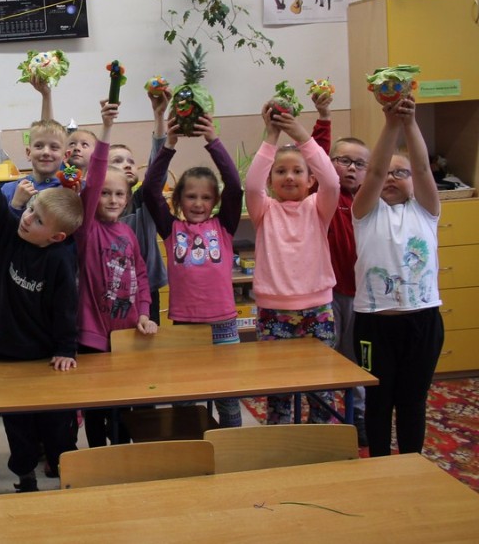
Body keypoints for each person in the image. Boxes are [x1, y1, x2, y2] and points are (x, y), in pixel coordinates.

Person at [0, 121, 83, 492]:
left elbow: (66, 309)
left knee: (56, 422)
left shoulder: (61, 258)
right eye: (30, 209)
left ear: (57, 236)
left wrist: (66, 349)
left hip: (46, 354)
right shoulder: (10, 236)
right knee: (17, 424)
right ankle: (24, 475)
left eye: (37, 220)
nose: (27, 218)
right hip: (6, 350)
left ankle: (64, 470)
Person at [352, 95, 442, 457]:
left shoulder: (426, 212)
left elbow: (422, 168)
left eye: (400, 173)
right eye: (387, 171)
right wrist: (390, 124)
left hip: (423, 322)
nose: (391, 177)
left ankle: (411, 463)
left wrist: (410, 122)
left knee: (412, 400)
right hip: (375, 324)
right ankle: (379, 464)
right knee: (379, 400)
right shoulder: (365, 213)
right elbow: (374, 172)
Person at [143, 113, 244, 427]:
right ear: (178, 200)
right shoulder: (171, 228)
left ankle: (230, 445)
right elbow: (150, 191)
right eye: (190, 196)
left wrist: (213, 141)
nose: (198, 203)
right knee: (185, 396)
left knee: (228, 395)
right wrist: (169, 145)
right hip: (185, 324)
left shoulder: (224, 226)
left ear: (215, 201)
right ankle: (189, 443)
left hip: (223, 324)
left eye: (205, 197)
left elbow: (235, 186)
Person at [246, 104, 339, 425]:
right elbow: (252, 185)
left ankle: (322, 434)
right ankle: (281, 436)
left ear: (310, 180)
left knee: (321, 385)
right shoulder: (264, 210)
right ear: (270, 179)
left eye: (297, 171)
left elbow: (332, 181)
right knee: (279, 386)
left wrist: (299, 133)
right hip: (273, 311)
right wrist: (271, 135)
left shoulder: (318, 207)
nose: (289, 176)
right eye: (280, 171)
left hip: (318, 308)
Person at [76, 99, 155, 447]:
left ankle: (121, 456)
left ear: (127, 198)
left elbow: (141, 277)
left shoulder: (127, 232)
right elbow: (93, 180)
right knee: (96, 407)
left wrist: (144, 313)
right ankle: (98, 456)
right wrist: (106, 128)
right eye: (105, 193)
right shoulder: (86, 228)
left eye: (119, 194)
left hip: (127, 336)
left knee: (124, 405)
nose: (111, 199)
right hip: (93, 337)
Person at [310, 90, 370, 446]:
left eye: (359, 164)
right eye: (343, 160)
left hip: (363, 297)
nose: (351, 168)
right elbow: (316, 157)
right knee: (323, 357)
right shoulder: (324, 197)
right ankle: (321, 415)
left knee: (357, 358)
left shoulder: (371, 201)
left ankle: (358, 414)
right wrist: (324, 117)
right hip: (328, 294)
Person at [116, 85, 171, 325]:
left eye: (130, 160)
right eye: (118, 161)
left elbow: (157, 168)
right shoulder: (98, 208)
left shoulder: (144, 199)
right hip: (111, 291)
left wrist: (159, 116)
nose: (128, 164)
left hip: (147, 290)